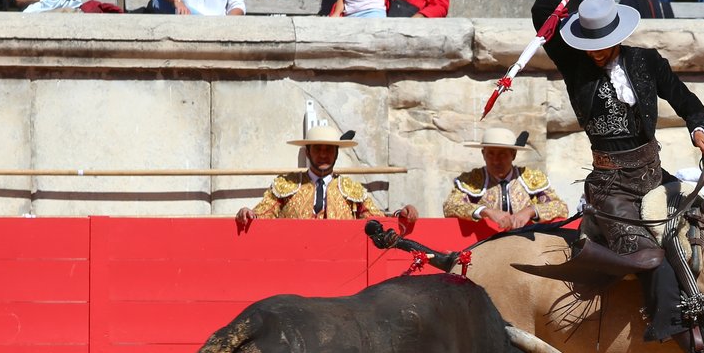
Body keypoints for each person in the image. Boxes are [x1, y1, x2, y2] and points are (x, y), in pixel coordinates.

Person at [533, 0, 704, 353]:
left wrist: (699, 129)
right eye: (592, 45)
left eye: (605, 45)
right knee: (647, 255)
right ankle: (692, 348)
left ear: (618, 36)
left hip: (654, 175)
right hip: (610, 186)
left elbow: (686, 100)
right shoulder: (574, 62)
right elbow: (543, 12)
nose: (598, 53)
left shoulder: (647, 63)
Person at [236, 122, 419, 228]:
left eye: (329, 149)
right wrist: (248, 213)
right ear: (307, 152)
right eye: (318, 149)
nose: (323, 154)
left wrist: (399, 215)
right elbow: (263, 214)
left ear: (337, 153)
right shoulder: (287, 184)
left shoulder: (352, 190)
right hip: (294, 260)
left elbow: (376, 219)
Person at [442, 127, 570, 231]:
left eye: (502, 154)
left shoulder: (532, 178)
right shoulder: (470, 180)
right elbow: (450, 206)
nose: (496, 160)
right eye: (490, 154)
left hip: (526, 249)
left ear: (513, 155)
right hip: (484, 248)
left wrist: (530, 211)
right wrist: (485, 211)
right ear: (483, 154)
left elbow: (561, 207)